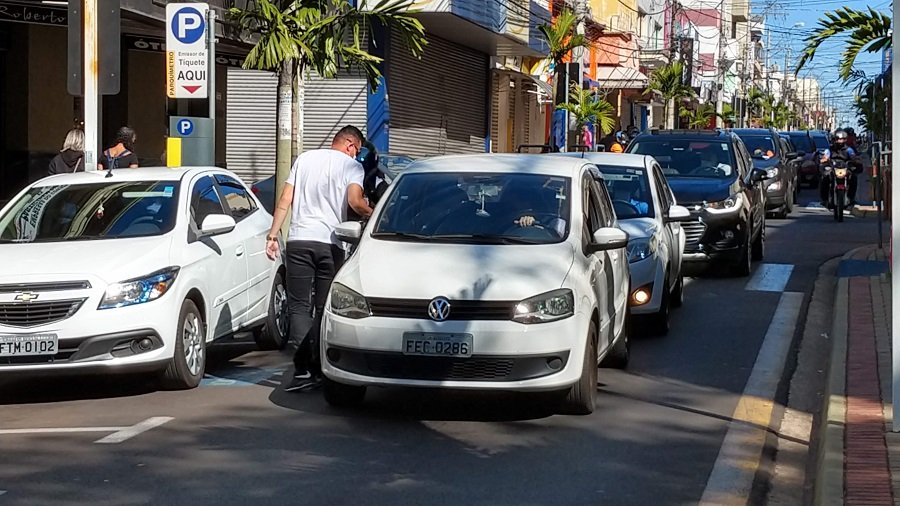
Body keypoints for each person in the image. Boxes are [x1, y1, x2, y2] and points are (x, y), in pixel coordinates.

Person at [265, 125, 373, 392]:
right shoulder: (351, 167)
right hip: (330, 243)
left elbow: (285, 199)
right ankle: (321, 365)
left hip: (299, 240)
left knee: (299, 307)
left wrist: (273, 234)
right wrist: (375, 212)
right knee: (325, 308)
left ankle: (302, 370)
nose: (357, 156)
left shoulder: (304, 159)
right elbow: (355, 202)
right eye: (357, 151)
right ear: (350, 145)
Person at [819, 129, 859, 207]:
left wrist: (855, 160)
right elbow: (826, 155)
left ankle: (851, 198)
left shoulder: (849, 149)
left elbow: (853, 156)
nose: (840, 141)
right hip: (833, 168)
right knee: (825, 178)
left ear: (845, 140)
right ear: (834, 140)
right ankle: (825, 199)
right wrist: (824, 159)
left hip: (845, 168)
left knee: (854, 177)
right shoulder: (830, 149)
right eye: (838, 139)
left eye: (842, 139)